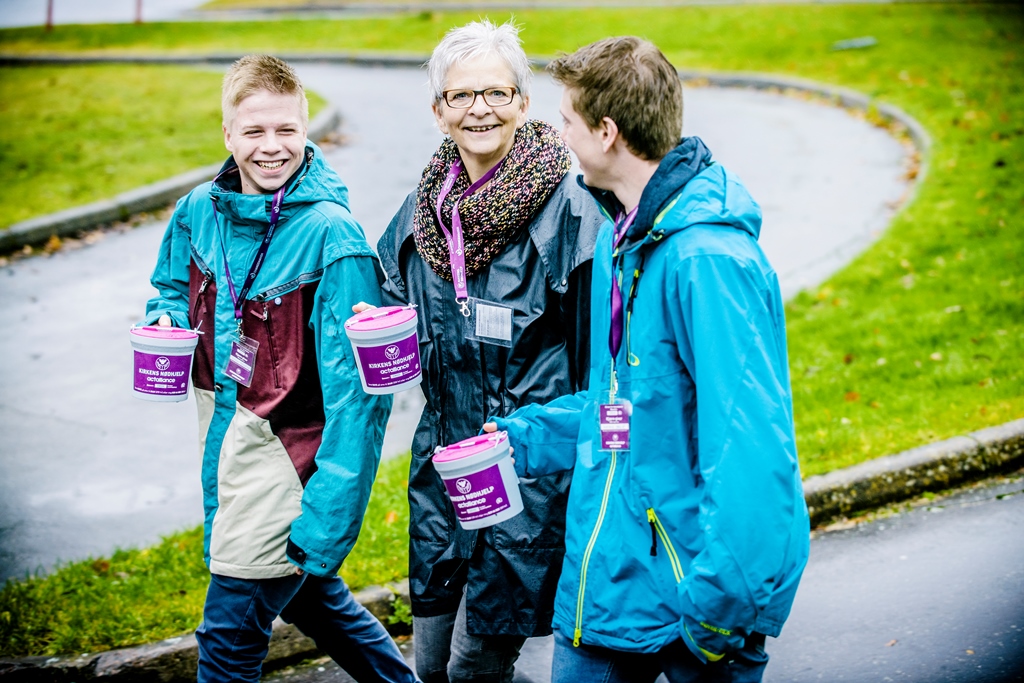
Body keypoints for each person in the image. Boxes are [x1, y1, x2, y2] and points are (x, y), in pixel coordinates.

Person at [484, 37, 811, 682]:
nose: (559, 135)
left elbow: (752, 450)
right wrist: (521, 439)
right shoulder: (622, 237)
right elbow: (632, 405)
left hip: (697, 604)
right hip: (609, 587)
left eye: (567, 121)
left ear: (606, 132)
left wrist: (718, 616)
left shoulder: (706, 260)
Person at [143, 54, 418, 683]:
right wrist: (164, 319)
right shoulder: (197, 211)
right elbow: (169, 286)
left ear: (305, 129)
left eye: (286, 129)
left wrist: (329, 514)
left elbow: (361, 397)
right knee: (316, 603)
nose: (272, 147)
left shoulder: (333, 238)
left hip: (291, 469)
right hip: (229, 448)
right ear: (227, 134)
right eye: (254, 131)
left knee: (227, 643)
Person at [370, 20, 604, 683]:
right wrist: (373, 324)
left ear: (523, 102)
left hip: (529, 482)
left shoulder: (571, 216)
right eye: (462, 95)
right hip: (444, 476)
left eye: (497, 92)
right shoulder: (421, 217)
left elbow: (602, 371)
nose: (480, 109)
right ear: (438, 109)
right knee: (431, 666)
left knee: (475, 666)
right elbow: (386, 306)